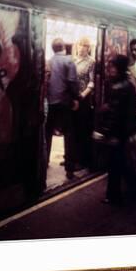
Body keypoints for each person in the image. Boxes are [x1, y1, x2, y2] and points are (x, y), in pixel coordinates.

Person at [98, 54, 136, 204]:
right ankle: (132, 189)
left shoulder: (119, 87)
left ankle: (113, 196)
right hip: (123, 133)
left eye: (113, 66)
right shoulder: (127, 85)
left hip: (117, 134)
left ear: (120, 68)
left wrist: (107, 133)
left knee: (115, 166)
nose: (110, 69)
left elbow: (115, 115)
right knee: (121, 164)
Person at [45, 38, 80, 179]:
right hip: (65, 103)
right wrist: (76, 98)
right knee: (69, 134)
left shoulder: (49, 62)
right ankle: (69, 169)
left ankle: (44, 161)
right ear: (64, 47)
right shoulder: (69, 61)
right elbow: (72, 82)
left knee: (47, 134)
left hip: (51, 102)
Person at [72, 37, 96, 169]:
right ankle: (71, 157)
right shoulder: (73, 60)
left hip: (83, 99)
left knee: (82, 130)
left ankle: (81, 161)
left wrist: (83, 94)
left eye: (85, 46)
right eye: (80, 45)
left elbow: (92, 82)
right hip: (72, 98)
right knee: (72, 129)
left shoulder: (91, 62)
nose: (82, 48)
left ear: (88, 48)